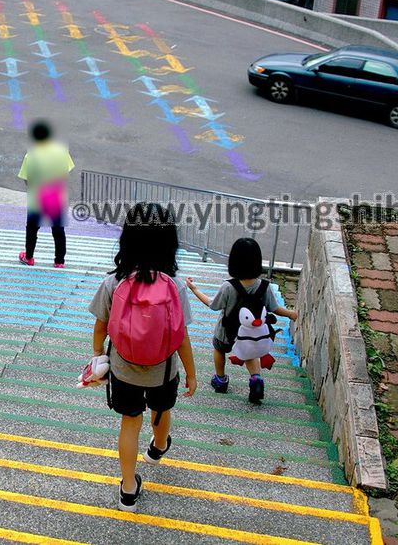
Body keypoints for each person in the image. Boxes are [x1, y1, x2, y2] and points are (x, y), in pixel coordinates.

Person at [88, 204, 197, 512]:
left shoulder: (114, 282)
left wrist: (97, 357)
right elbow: (183, 338)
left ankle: (127, 489)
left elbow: (100, 327)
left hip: (124, 370)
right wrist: (191, 373)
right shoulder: (174, 287)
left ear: (127, 240)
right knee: (160, 412)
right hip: (163, 370)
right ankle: (159, 447)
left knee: (129, 422)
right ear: (169, 243)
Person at [186, 237, 298, 403]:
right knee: (250, 354)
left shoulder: (228, 287)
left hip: (227, 331)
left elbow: (212, 305)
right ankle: (256, 380)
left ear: (234, 262)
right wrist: (289, 313)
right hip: (250, 334)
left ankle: (220, 379)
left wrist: (194, 289)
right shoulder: (264, 286)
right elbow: (274, 308)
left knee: (219, 349)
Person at [17, 121, 74, 268]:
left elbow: (27, 179)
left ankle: (29, 257)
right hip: (55, 195)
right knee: (58, 230)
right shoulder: (62, 151)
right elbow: (66, 171)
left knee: (32, 228)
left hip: (38, 196)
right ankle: (59, 261)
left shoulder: (31, 155)